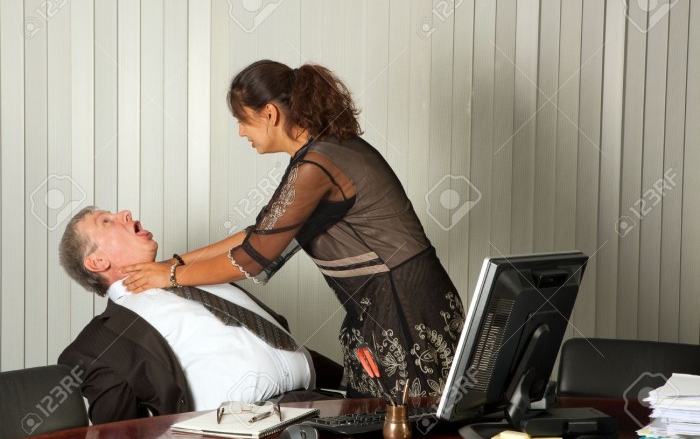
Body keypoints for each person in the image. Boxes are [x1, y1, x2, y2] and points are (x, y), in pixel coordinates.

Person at [122, 60, 465, 399]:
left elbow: (252, 258)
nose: (241, 132)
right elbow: (259, 234)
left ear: (270, 114)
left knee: (407, 420)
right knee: (400, 417)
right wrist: (175, 262)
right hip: (402, 297)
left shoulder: (317, 164)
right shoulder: (325, 150)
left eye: (242, 120)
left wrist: (170, 277)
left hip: (400, 304)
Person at [57, 206, 341, 425]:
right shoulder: (99, 343)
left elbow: (269, 337)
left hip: (323, 408)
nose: (125, 213)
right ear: (97, 261)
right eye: (106, 221)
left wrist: (352, 381)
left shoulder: (204, 276)